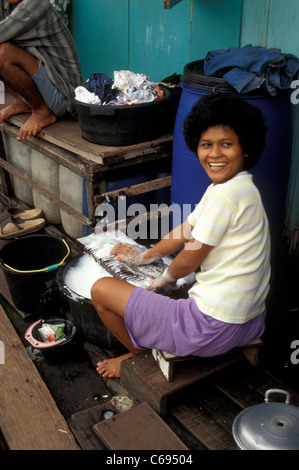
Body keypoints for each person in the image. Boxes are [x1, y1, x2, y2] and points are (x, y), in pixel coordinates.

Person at [91, 93, 271, 379]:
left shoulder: (226, 197)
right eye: (206, 145)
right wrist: (144, 257)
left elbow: (188, 260)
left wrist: (164, 279)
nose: (214, 154)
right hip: (250, 322)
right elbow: (185, 230)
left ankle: (137, 356)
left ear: (245, 148)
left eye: (226, 144)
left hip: (211, 330)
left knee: (101, 289)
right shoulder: (237, 188)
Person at [0, 0, 82, 141]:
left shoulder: (37, 4)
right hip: (42, 86)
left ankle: (42, 111)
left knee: (3, 53)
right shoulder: (6, 5)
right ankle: (23, 102)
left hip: (64, 97)